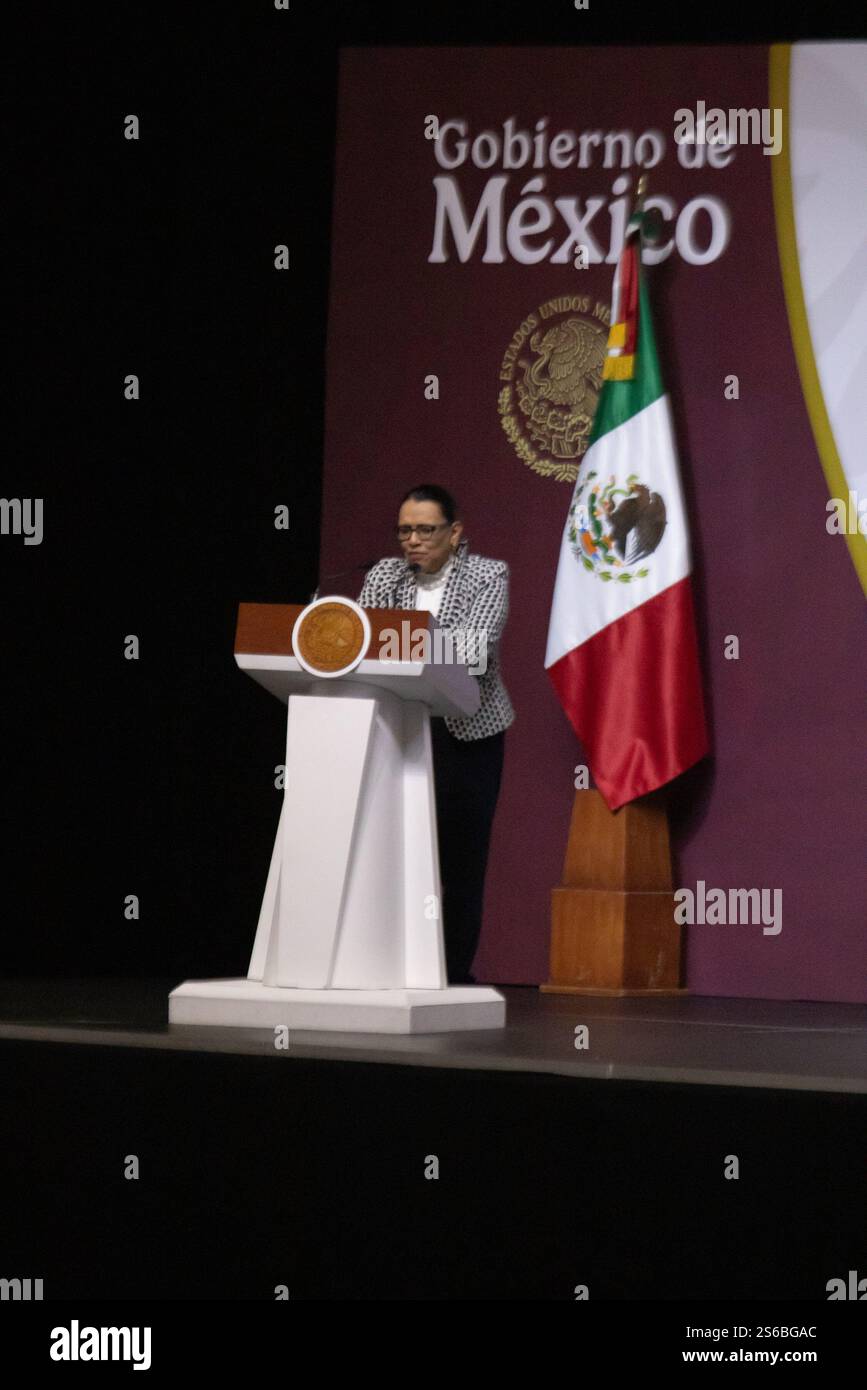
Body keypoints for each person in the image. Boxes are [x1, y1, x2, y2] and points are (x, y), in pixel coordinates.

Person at [358, 484, 514, 984]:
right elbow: (363, 642)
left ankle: (453, 975)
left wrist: (403, 642)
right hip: (400, 729)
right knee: (392, 851)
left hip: (466, 734)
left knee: (460, 859)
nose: (413, 540)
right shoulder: (384, 574)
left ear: (455, 532)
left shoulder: (488, 575)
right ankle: (390, 968)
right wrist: (412, 645)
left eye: (426, 529)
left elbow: (475, 652)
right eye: (405, 530)